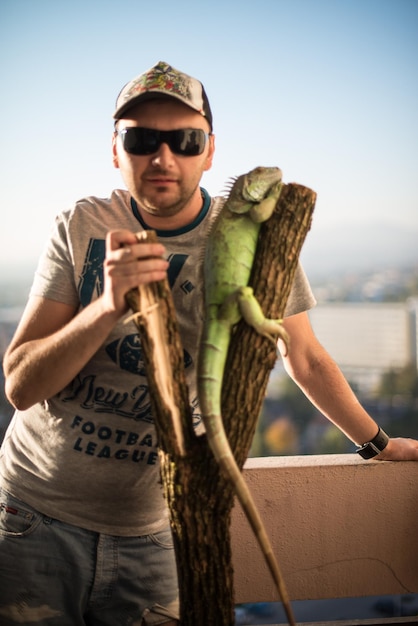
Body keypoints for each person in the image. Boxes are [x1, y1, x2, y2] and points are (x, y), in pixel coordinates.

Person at [1, 60, 418, 626]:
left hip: (161, 530)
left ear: (211, 151)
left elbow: (306, 358)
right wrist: (106, 305)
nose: (163, 157)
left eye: (185, 139)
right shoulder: (80, 224)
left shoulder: (256, 238)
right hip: (34, 520)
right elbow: (21, 385)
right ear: (115, 150)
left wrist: (377, 443)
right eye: (142, 138)